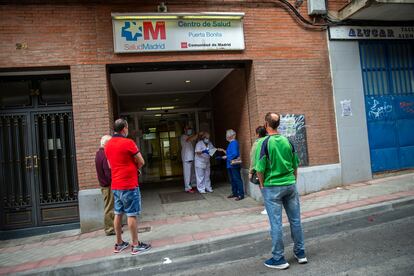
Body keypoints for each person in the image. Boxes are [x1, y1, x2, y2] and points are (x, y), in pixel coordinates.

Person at [256, 112, 307, 269]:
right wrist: (293, 181)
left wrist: (263, 185)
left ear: (266, 124)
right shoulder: (287, 141)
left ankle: (278, 258)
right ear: (278, 125)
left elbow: (259, 168)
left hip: (272, 187)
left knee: (276, 223)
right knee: (295, 220)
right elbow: (295, 164)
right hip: (290, 185)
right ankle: (301, 253)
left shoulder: (264, 143)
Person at [105, 118, 151, 255]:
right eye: (127, 128)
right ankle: (135, 245)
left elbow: (109, 165)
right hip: (129, 184)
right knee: (131, 214)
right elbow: (141, 161)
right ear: (124, 128)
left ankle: (119, 243)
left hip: (116, 185)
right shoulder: (128, 143)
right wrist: (134, 168)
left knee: (118, 214)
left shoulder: (107, 145)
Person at [95, 135, 115, 236]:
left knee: (109, 207)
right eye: (110, 142)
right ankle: (110, 229)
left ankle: (113, 226)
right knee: (109, 208)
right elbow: (108, 172)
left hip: (104, 185)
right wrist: (112, 182)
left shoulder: (98, 153)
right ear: (106, 143)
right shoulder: (105, 154)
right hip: (108, 185)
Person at [218, 129, 244, 201]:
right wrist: (223, 151)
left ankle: (241, 194)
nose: (227, 137)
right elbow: (230, 153)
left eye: (227, 135)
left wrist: (226, 157)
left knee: (237, 179)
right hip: (230, 164)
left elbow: (235, 154)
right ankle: (235, 192)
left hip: (233, 164)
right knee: (232, 179)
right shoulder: (231, 143)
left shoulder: (234, 143)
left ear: (231, 136)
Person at [249, 126, 268, 214]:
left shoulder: (257, 143)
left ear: (257, 134)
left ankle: (268, 208)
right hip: (271, 169)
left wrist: (251, 171)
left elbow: (253, 159)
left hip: (261, 170)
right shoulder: (270, 140)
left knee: (263, 188)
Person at [180, 125, 197, 193]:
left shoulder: (190, 136)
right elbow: (189, 139)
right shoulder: (183, 136)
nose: (189, 130)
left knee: (192, 173)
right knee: (187, 173)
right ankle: (187, 187)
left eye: (190, 128)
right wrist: (197, 134)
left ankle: (193, 184)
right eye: (188, 128)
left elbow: (193, 139)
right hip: (186, 158)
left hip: (191, 157)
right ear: (185, 129)